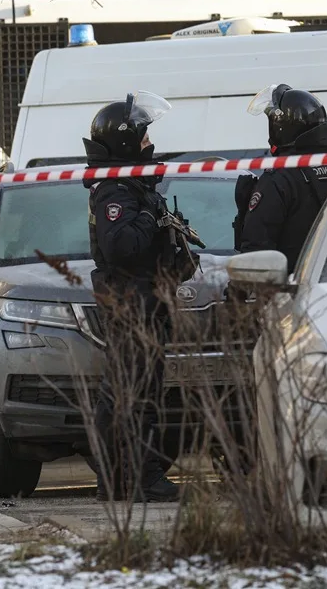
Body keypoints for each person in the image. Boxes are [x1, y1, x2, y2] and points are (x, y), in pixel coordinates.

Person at [83, 90, 198, 503]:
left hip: (147, 298)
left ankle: (130, 476)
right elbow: (121, 247)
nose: (150, 145)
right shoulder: (115, 190)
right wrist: (153, 218)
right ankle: (131, 476)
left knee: (141, 391)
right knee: (128, 393)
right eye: (144, 138)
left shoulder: (134, 186)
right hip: (130, 301)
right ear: (127, 143)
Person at [235, 84, 327, 272]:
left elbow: (256, 249)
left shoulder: (279, 179)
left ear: (280, 128)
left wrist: (236, 294)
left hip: (287, 290)